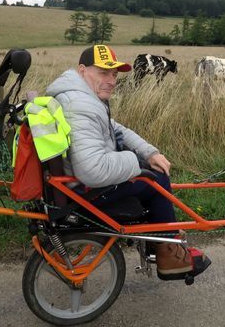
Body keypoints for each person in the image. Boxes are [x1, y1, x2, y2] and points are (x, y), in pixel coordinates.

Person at [45, 44, 210, 281]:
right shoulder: (80, 106)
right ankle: (169, 251)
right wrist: (138, 163)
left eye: (114, 74)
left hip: (75, 182)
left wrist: (149, 152)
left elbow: (114, 128)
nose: (111, 80)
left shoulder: (78, 96)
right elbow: (92, 170)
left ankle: (163, 237)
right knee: (156, 179)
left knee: (150, 168)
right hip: (85, 190)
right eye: (103, 72)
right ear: (82, 71)